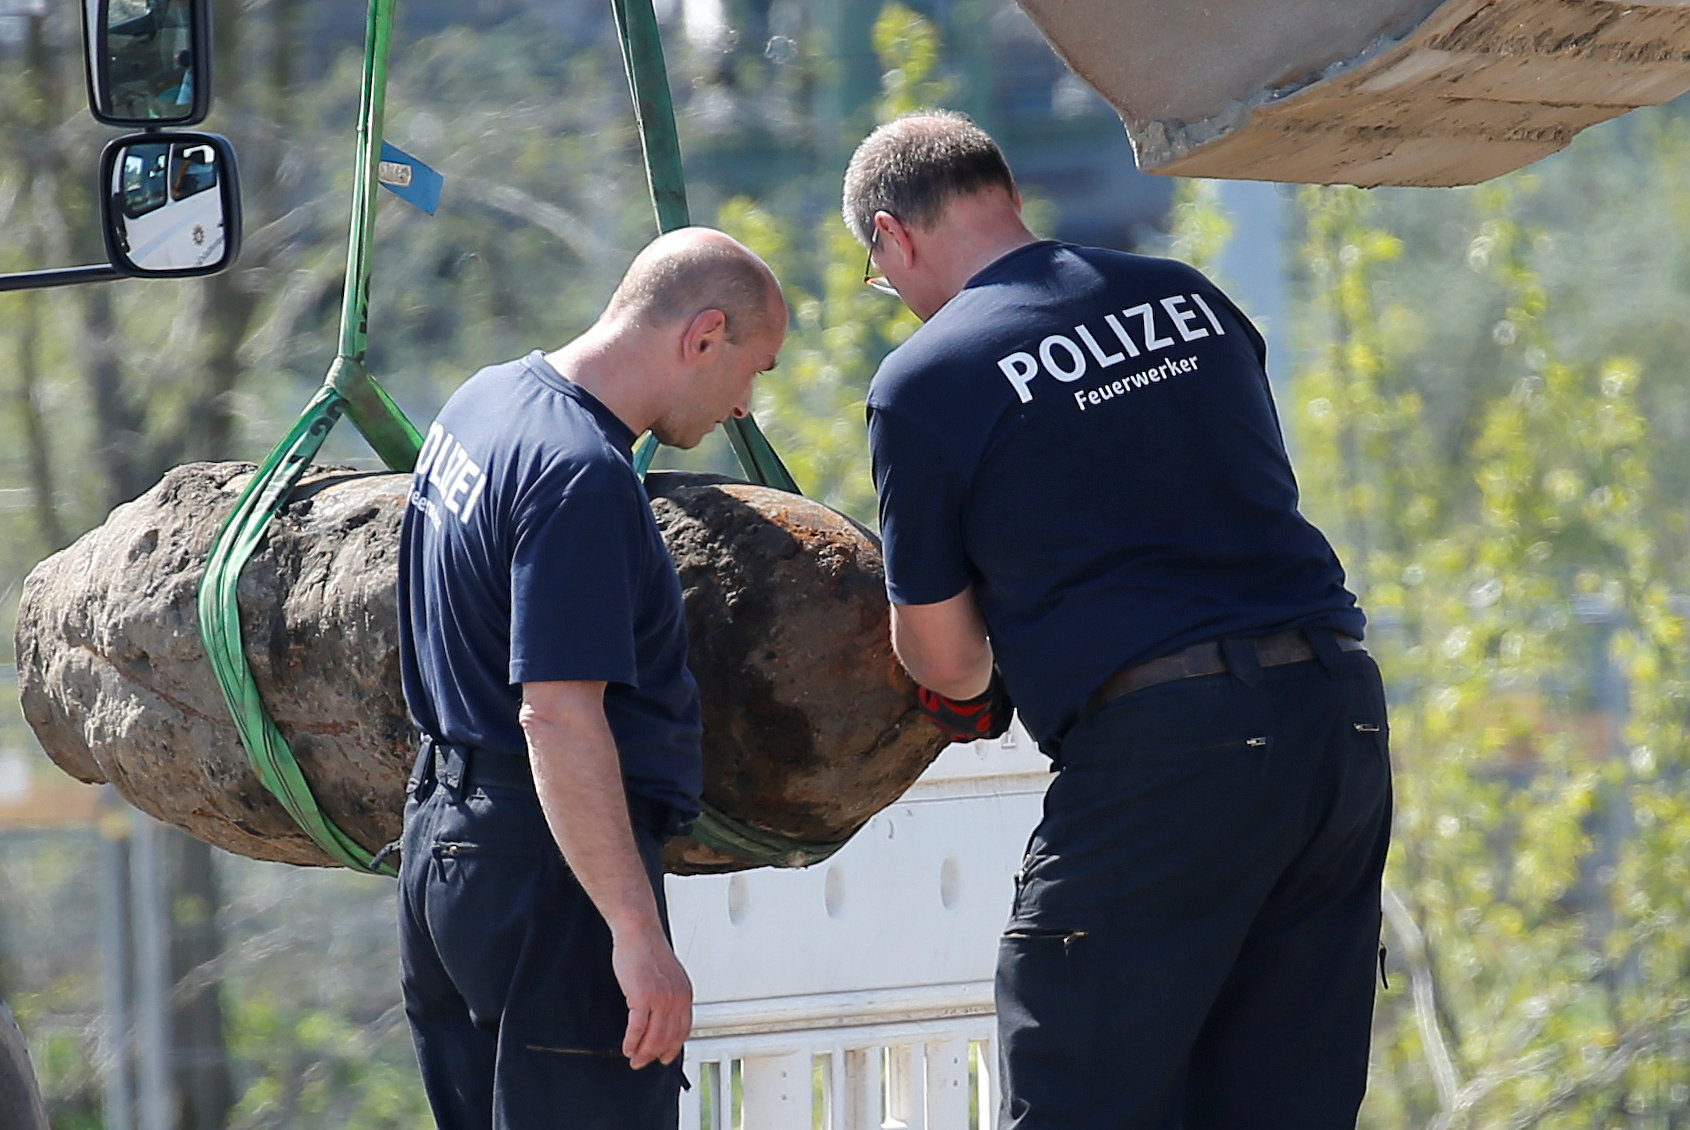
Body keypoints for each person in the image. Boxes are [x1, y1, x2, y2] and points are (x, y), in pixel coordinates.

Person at [845, 111, 1393, 1129]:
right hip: (1336, 717)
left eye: (882, 282)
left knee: (1077, 1085)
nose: (900, 302)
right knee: (1283, 1099)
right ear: (1000, 193)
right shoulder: (1186, 297)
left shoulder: (927, 380)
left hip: (1167, 750)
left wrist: (969, 678)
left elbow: (945, 655)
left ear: (893, 235)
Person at [397, 227, 786, 1130]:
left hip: (444, 846)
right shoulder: (582, 478)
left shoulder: (484, 402)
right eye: (754, 370)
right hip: (545, 873)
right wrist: (637, 933)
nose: (742, 407)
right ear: (703, 337)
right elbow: (557, 720)